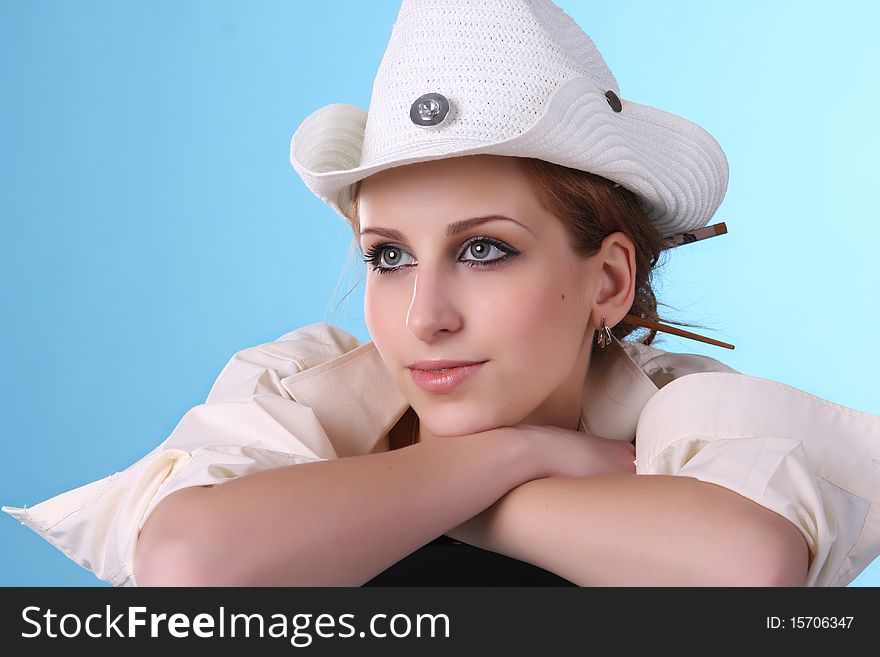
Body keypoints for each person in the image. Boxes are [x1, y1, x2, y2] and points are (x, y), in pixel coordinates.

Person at [4, 0, 879, 587]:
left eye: (485, 249)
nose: (424, 316)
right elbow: (191, 563)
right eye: (388, 257)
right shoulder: (309, 390)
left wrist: (423, 495)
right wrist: (513, 456)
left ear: (607, 280)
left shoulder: (688, 418)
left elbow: (744, 563)